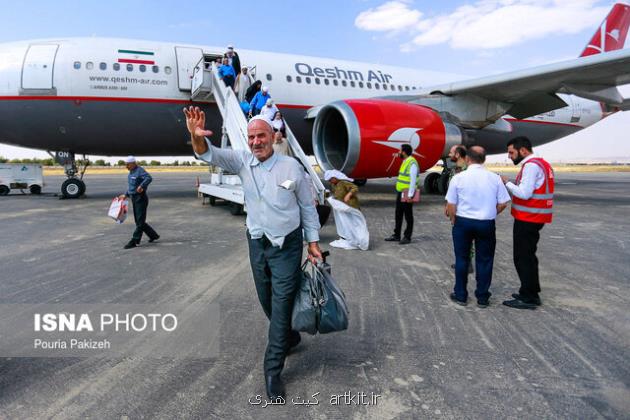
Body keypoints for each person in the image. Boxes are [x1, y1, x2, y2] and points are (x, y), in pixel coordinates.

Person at [183, 106, 322, 399]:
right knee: (266, 299)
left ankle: (272, 371)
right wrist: (196, 137)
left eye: (261, 136)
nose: (256, 142)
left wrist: (313, 242)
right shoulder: (243, 161)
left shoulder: (291, 167)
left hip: (287, 244)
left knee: (282, 302)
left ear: (273, 137)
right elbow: (210, 153)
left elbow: (308, 208)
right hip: (257, 243)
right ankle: (288, 334)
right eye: (251, 137)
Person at [445, 146, 511, 307]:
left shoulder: (459, 178)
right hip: (486, 224)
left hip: (463, 223)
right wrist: (490, 214)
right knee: (485, 260)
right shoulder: (494, 178)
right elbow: (503, 203)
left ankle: (461, 295)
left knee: (461, 259)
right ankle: (482, 297)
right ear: (484, 159)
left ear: (467, 159)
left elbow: (451, 205)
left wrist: (454, 220)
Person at [501, 137, 555, 310]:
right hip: (534, 217)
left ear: (523, 150)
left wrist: (506, 182)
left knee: (523, 258)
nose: (509, 156)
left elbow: (524, 193)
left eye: (511, 152)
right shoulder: (541, 163)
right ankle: (530, 291)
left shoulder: (531, 166)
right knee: (529, 257)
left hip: (528, 218)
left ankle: (528, 297)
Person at [119, 156, 159, 249]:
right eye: (126, 164)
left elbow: (149, 178)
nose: (126, 166)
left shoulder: (139, 170)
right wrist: (125, 195)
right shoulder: (131, 172)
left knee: (140, 222)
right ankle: (153, 235)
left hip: (140, 198)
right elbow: (131, 187)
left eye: (128, 164)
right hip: (134, 198)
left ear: (133, 163)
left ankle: (135, 240)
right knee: (138, 221)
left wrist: (142, 186)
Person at [384, 144, 418, 245]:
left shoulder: (412, 163)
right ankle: (396, 235)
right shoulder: (405, 161)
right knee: (398, 214)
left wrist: (411, 195)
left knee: (408, 215)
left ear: (404, 152)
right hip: (401, 192)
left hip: (407, 193)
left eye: (400, 151)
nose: (398, 152)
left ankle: (407, 236)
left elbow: (412, 181)